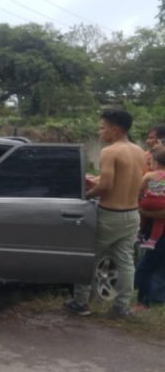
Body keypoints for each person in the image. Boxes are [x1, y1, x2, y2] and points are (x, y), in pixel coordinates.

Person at [64, 109, 144, 318]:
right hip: (132, 213)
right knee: (126, 261)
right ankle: (121, 307)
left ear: (115, 130)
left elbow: (107, 184)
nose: (100, 132)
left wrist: (87, 195)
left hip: (110, 214)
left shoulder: (110, 151)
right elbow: (128, 181)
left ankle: (80, 302)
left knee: (88, 257)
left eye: (102, 127)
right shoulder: (138, 151)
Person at [138, 147, 165, 246]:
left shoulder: (150, 175)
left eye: (151, 162)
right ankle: (152, 241)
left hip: (148, 201)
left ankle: (138, 234)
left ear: (156, 163)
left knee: (141, 215)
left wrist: (138, 201)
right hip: (162, 204)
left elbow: (140, 189)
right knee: (160, 222)